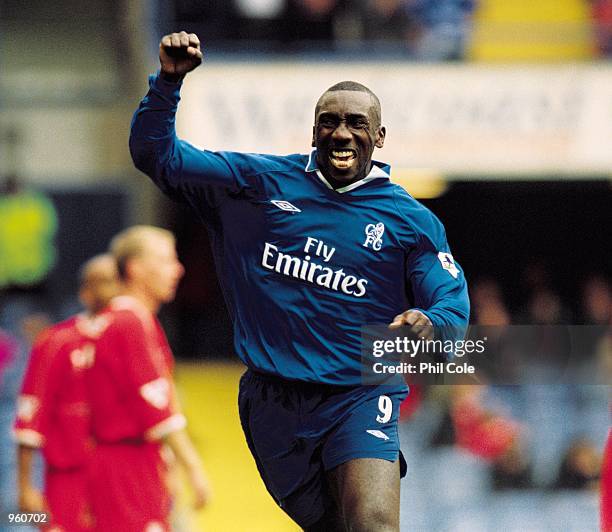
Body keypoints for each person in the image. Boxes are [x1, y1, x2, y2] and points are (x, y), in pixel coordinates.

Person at [129, 32, 469, 531]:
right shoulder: (255, 184)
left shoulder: (410, 220)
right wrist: (168, 83)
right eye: (329, 122)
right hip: (273, 402)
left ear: (379, 137)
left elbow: (449, 302)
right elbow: (158, 157)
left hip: (360, 390)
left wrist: (433, 321)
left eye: (357, 123)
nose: (342, 133)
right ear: (313, 133)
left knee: (373, 523)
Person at [86, 225, 210, 532]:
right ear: (136, 268)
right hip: (126, 470)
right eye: (168, 260)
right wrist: (193, 468)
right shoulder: (130, 324)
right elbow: (159, 411)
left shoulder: (131, 321)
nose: (178, 269)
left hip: (132, 465)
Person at [13, 254, 120, 531]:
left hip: (118, 481)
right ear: (85, 292)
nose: (116, 290)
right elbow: (30, 412)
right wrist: (24, 487)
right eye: (108, 282)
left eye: (120, 281)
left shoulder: (135, 338)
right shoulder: (57, 342)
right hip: (67, 482)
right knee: (23, 522)